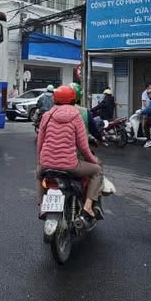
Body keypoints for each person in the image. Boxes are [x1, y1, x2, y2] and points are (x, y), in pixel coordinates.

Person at [36, 85, 103, 220]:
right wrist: (93, 160)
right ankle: (88, 206)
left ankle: (42, 205)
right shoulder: (76, 116)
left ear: (55, 99)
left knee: (38, 175)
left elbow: (40, 143)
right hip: (70, 165)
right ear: (73, 100)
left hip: (46, 164)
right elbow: (83, 147)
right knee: (97, 170)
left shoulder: (47, 116)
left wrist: (41, 161)